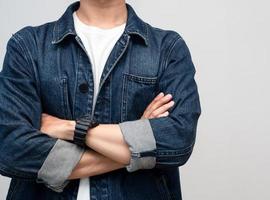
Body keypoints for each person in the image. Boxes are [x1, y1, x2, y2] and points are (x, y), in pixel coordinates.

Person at [0, 0, 201, 199]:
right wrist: (139, 140)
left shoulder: (167, 48)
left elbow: (177, 140)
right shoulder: (28, 45)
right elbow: (11, 148)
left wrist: (70, 128)